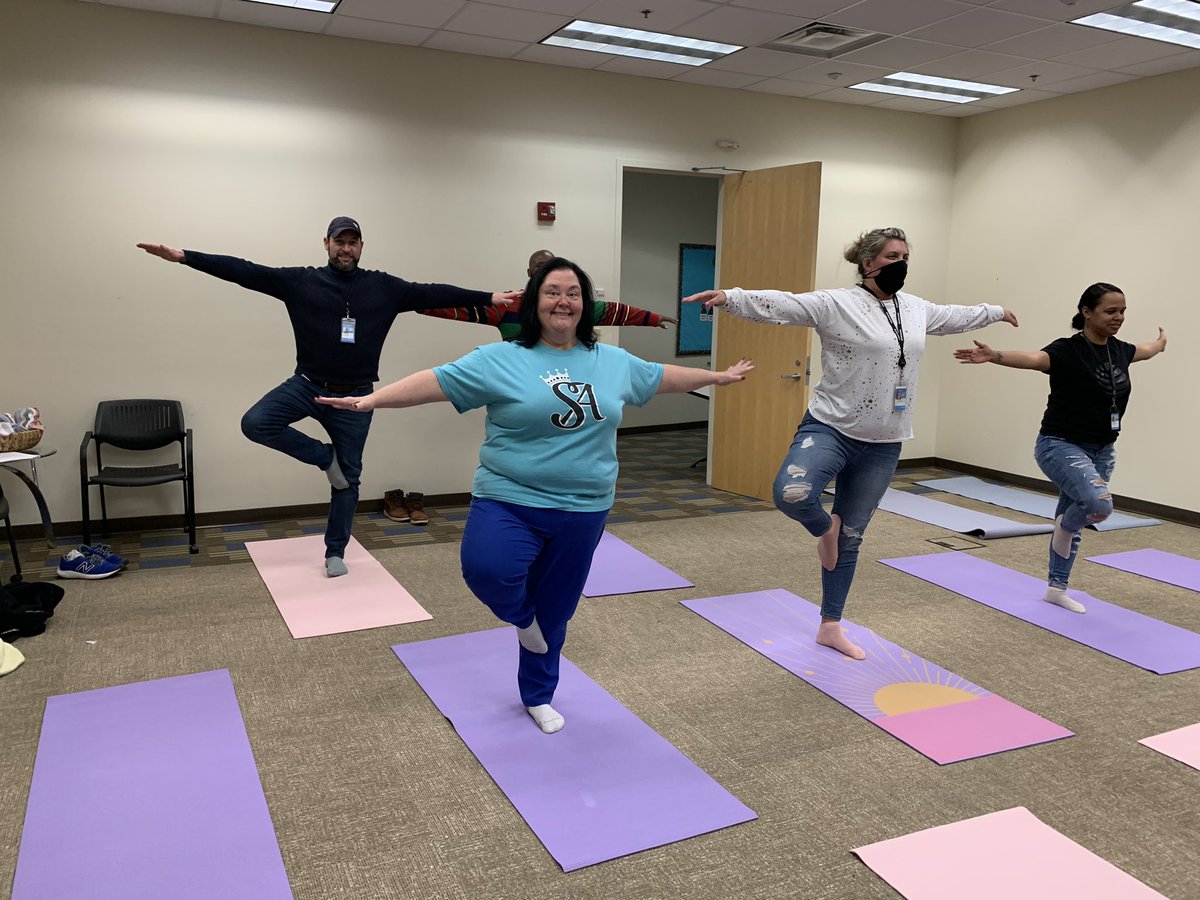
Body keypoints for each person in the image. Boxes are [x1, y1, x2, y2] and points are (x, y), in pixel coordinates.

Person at [319, 257, 753, 733]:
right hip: (510, 497)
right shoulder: (501, 359)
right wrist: (371, 400)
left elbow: (658, 376)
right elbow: (436, 382)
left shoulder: (611, 361)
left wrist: (715, 377)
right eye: (551, 292)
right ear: (533, 301)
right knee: (488, 571)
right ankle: (522, 620)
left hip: (585, 507)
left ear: (585, 305)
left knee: (557, 611)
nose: (562, 301)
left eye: (572, 292)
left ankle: (538, 694)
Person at [684, 227, 1018, 660]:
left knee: (853, 537)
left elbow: (955, 315)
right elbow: (784, 304)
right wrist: (731, 296)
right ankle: (825, 530)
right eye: (893, 256)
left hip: (885, 441)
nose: (901, 263)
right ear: (868, 264)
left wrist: (995, 311)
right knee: (792, 494)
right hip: (831, 428)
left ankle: (831, 625)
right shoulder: (837, 304)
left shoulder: (915, 309)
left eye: (905, 256)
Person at [137, 217, 519, 578]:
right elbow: (245, 271)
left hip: (355, 399)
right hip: (306, 386)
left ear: (361, 246)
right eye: (340, 241)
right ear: (327, 244)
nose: (346, 248)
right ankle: (324, 456)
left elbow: (432, 291)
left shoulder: (384, 288)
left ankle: (335, 551)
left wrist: (490, 297)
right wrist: (185, 257)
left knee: (347, 480)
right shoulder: (301, 282)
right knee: (255, 423)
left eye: (353, 242)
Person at [955, 283, 1166, 613]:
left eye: (1123, 311)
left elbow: (1145, 350)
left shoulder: (1119, 350)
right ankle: (1065, 528)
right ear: (1087, 312)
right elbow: (1036, 359)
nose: (1119, 317)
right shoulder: (1068, 350)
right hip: (1060, 445)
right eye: (1111, 311)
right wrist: (994, 355)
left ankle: (1056, 587)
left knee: (1077, 511)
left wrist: (1160, 344)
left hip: (1102, 449)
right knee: (1097, 505)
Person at [417, 249, 679, 340]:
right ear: (529, 272)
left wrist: (653, 318)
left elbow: (615, 311)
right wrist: (417, 302)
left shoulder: (576, 305)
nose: (562, 303)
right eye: (541, 269)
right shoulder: (507, 304)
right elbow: (459, 308)